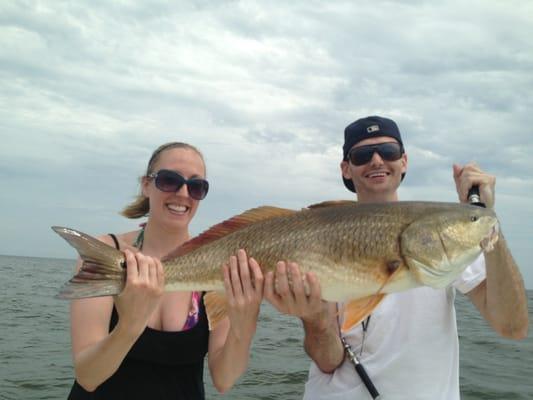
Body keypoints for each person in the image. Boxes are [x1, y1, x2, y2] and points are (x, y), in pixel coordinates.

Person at [264, 116, 529, 399]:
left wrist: (489, 221)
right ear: (346, 169)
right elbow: (329, 361)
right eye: (363, 155)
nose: (377, 160)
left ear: (404, 161)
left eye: (388, 151)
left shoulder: (454, 247)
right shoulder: (320, 232)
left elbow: (512, 326)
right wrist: (315, 320)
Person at [68, 142, 263, 399]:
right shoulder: (108, 254)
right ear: (146, 185)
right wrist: (130, 324)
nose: (183, 193)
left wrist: (245, 321)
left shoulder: (218, 265)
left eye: (196, 187)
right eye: (169, 180)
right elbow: (88, 376)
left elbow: (224, 379)